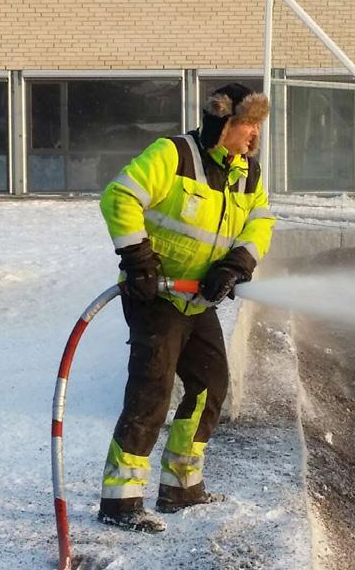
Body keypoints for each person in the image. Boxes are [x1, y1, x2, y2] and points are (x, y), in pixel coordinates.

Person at [97, 83, 275, 533]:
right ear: (222, 123)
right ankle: (120, 502)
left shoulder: (247, 174)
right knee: (151, 393)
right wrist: (138, 260)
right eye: (246, 124)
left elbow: (260, 222)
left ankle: (181, 488)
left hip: (197, 300)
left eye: (257, 126)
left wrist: (236, 265)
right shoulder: (173, 154)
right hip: (155, 296)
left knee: (209, 387)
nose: (253, 135)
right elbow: (120, 197)